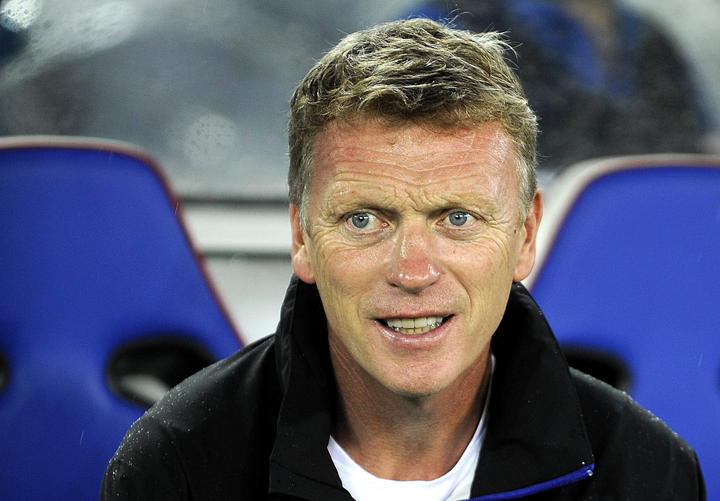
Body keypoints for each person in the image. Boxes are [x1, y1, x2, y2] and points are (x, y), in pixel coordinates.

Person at [102, 18, 705, 500]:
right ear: (302, 237)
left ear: (525, 235)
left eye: (457, 219)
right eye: (364, 220)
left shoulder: (643, 474)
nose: (413, 273)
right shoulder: (178, 467)